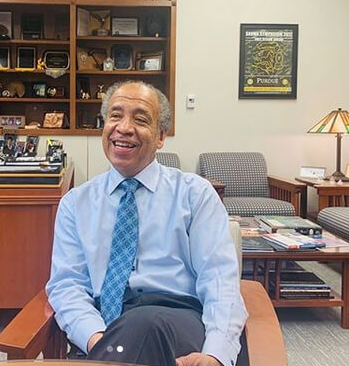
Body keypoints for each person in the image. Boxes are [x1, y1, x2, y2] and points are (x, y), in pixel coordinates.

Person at [46, 81, 247, 366]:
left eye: (140, 119)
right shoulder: (75, 204)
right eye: (115, 116)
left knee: (146, 323)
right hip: (105, 330)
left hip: (178, 318)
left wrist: (215, 354)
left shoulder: (194, 194)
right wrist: (95, 337)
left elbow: (219, 282)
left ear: (161, 136)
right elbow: (67, 285)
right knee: (135, 331)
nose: (124, 128)